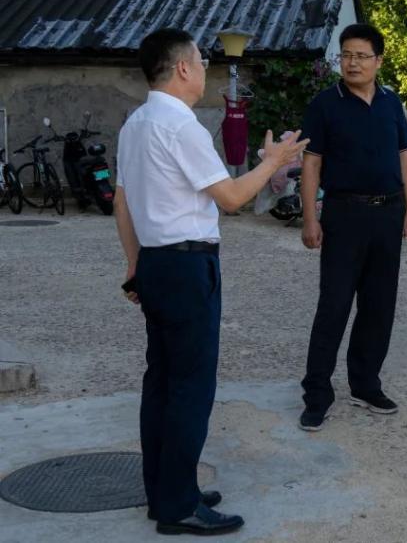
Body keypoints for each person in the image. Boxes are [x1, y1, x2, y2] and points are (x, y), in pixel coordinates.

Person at [114, 28, 307, 536]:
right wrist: (273, 162)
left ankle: (164, 490)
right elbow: (231, 198)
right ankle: (178, 505)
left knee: (161, 382)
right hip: (186, 265)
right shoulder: (182, 125)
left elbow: (122, 202)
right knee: (190, 387)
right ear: (182, 68)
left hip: (155, 263)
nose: (204, 69)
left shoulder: (134, 124)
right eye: (200, 61)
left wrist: (134, 266)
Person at [298, 23, 407, 431]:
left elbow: (405, 157)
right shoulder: (324, 104)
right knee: (333, 305)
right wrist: (310, 218)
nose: (351, 63)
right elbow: (311, 163)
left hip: (388, 213)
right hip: (343, 214)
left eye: (361, 56)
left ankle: (365, 384)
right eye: (346, 55)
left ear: (378, 61)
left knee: (379, 304)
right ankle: (317, 393)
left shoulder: (390, 102)